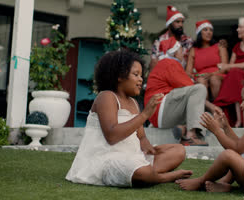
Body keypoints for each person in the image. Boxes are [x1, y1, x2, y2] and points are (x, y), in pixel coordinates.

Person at [66, 50, 192, 187]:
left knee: (178, 151)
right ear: (120, 76)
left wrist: (147, 146)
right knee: (142, 172)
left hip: (131, 156)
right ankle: (161, 177)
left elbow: (141, 137)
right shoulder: (106, 97)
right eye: (136, 74)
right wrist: (145, 115)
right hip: (106, 159)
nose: (141, 79)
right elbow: (112, 135)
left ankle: (148, 174)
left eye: (141, 75)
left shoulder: (133, 103)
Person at [144, 37, 223, 146]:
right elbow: (191, 87)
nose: (183, 53)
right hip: (161, 108)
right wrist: (211, 106)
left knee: (203, 114)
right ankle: (191, 136)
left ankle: (183, 130)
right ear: (175, 52)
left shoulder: (164, 64)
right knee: (200, 88)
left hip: (158, 114)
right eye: (181, 50)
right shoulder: (169, 63)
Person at [185, 20, 229, 100]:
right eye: (205, 30)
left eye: (211, 30)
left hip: (218, 74)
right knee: (201, 81)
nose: (209, 32)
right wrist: (197, 76)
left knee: (214, 79)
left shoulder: (220, 46)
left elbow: (225, 67)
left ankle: (219, 106)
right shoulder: (193, 50)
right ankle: (206, 109)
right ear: (199, 33)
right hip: (202, 77)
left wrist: (211, 74)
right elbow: (188, 72)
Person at [149, 5, 193, 72]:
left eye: (182, 22)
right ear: (169, 24)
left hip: (184, 76)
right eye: (177, 22)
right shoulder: (159, 42)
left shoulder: (188, 41)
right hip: (165, 75)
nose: (181, 25)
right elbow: (154, 63)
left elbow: (192, 62)